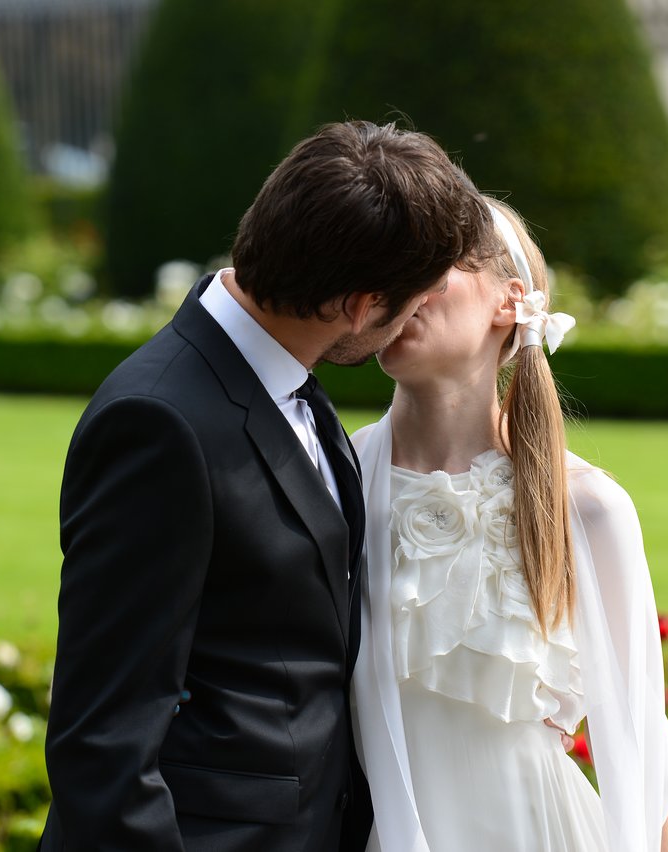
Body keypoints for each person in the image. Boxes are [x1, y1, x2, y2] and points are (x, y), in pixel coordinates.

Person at [39, 121, 494, 851]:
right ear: (360, 305)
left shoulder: (291, 385)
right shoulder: (157, 425)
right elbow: (104, 738)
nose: (416, 317)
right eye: (415, 298)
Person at [350, 198, 668, 851]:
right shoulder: (334, 476)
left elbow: (645, 745)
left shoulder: (587, 506)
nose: (391, 288)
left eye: (427, 269)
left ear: (509, 301)